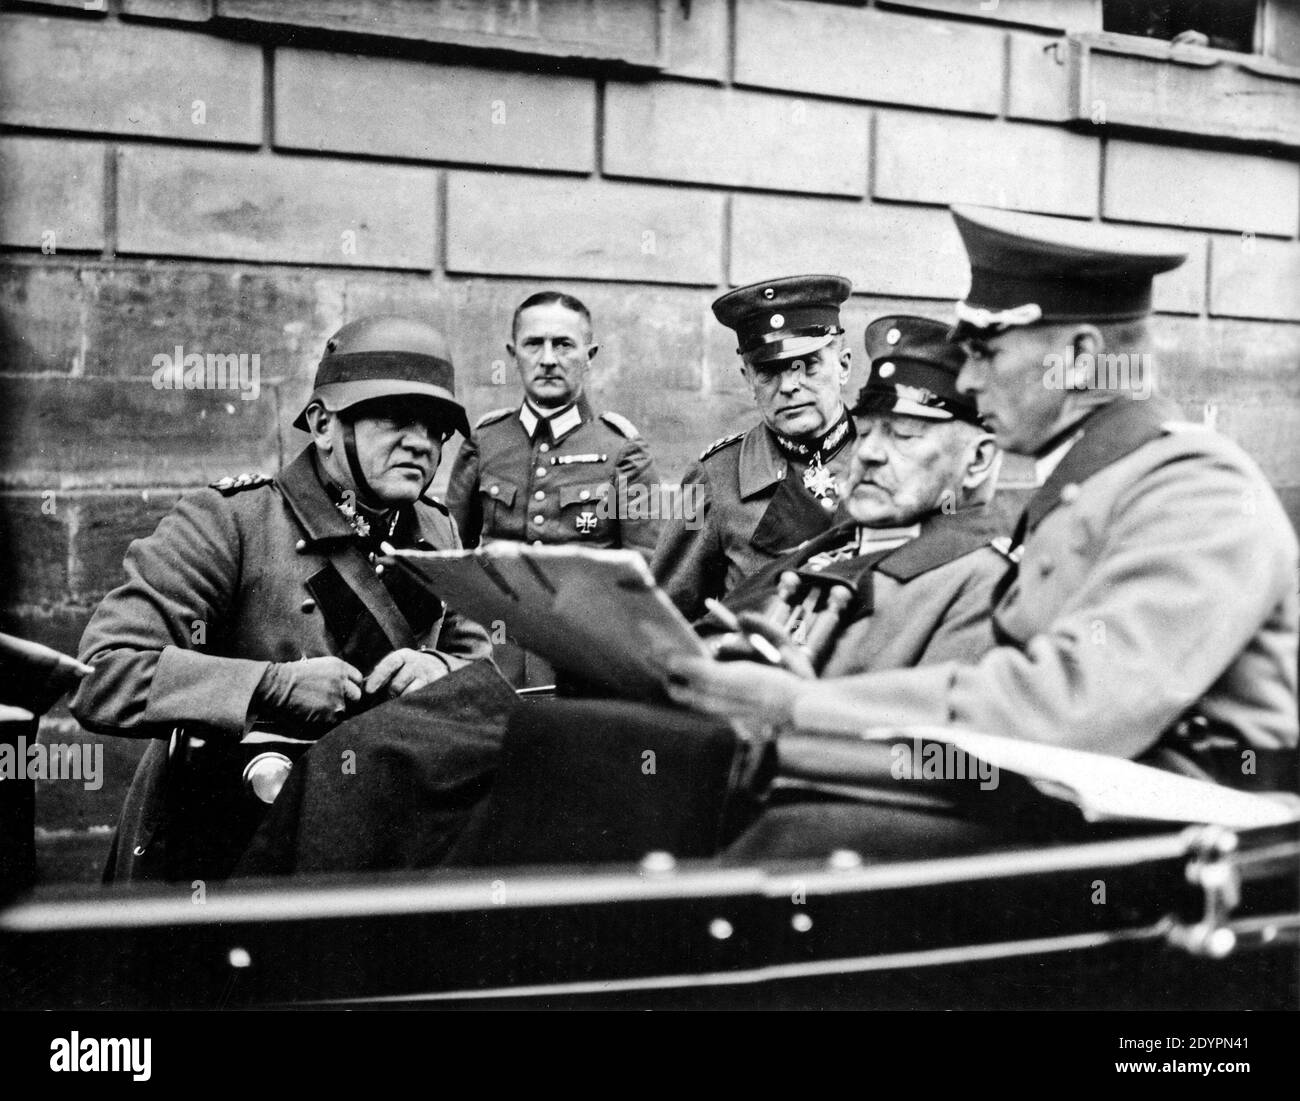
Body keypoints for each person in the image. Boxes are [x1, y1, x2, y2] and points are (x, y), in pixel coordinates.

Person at [234, 315, 1012, 875]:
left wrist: (769, 706)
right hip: (675, 733)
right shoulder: (829, 546)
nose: (869, 454)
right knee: (403, 745)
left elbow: (948, 757)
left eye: (903, 436)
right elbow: (678, 609)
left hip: (744, 784)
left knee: (513, 774)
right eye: (868, 433)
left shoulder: (978, 579)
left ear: (978, 462)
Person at [667, 204, 1300, 814]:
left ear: (1079, 359)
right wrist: (819, 693)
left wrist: (801, 707)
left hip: (1196, 841)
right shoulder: (1095, 480)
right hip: (1083, 808)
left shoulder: (1196, 490)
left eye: (987, 353)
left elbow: (1069, 708)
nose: (966, 383)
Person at [71, 316, 497, 882]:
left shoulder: (437, 532)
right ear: (323, 425)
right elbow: (105, 674)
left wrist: (437, 668)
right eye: (395, 418)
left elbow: (485, 672)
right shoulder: (231, 521)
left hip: (378, 842)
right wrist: (269, 685)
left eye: (437, 428)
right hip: (232, 843)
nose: (421, 442)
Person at [652, 275, 859, 622]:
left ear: (843, 366)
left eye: (807, 365)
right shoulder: (716, 479)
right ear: (748, 378)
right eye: (768, 371)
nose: (790, 386)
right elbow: (668, 621)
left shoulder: (890, 460)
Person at [445, 291, 662, 556]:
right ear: (513, 355)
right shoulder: (484, 442)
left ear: (589, 356)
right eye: (533, 344)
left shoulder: (623, 452)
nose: (548, 360)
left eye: (563, 344)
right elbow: (450, 550)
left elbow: (646, 566)